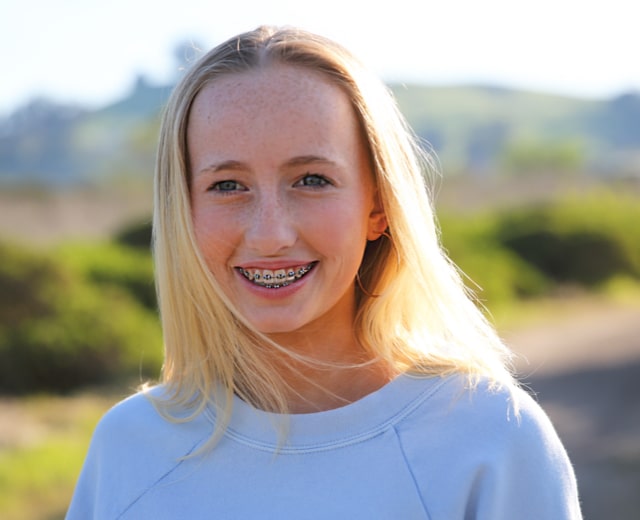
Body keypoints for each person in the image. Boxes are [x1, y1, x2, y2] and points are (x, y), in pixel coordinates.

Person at [66, 26, 582, 519]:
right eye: (227, 185)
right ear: (184, 211)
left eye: (311, 179)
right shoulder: (129, 450)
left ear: (378, 207)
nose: (271, 235)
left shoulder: (490, 439)